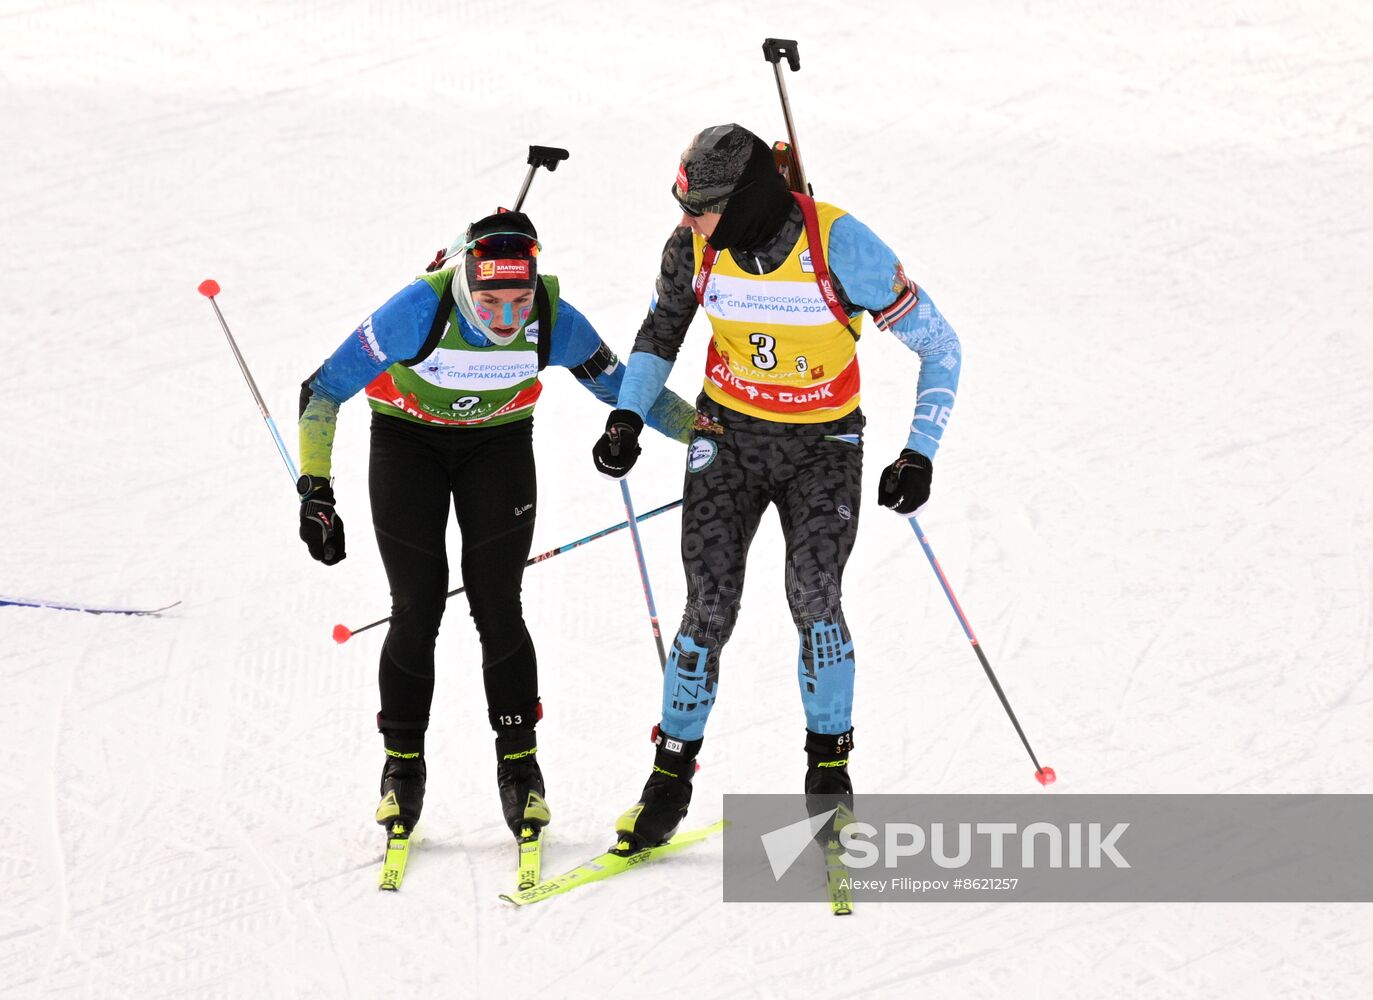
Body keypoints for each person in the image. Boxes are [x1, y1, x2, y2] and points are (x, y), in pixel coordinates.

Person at [591, 124, 962, 850]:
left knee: (814, 593)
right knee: (708, 604)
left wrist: (918, 453)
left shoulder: (840, 245)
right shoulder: (690, 247)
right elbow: (660, 333)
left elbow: (940, 345)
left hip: (822, 444)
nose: (686, 222)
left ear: (743, 204)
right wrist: (628, 417)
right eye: (682, 206)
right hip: (728, 438)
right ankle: (667, 781)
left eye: (700, 208)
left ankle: (829, 779)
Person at [296, 209, 695, 846]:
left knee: (498, 603)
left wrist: (713, 434)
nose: (508, 318)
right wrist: (316, 491)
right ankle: (402, 768)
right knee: (417, 605)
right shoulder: (417, 311)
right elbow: (321, 390)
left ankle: (520, 769)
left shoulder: (555, 319)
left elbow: (625, 390)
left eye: (519, 301)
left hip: (499, 446)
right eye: (490, 302)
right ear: (464, 283)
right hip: (407, 443)